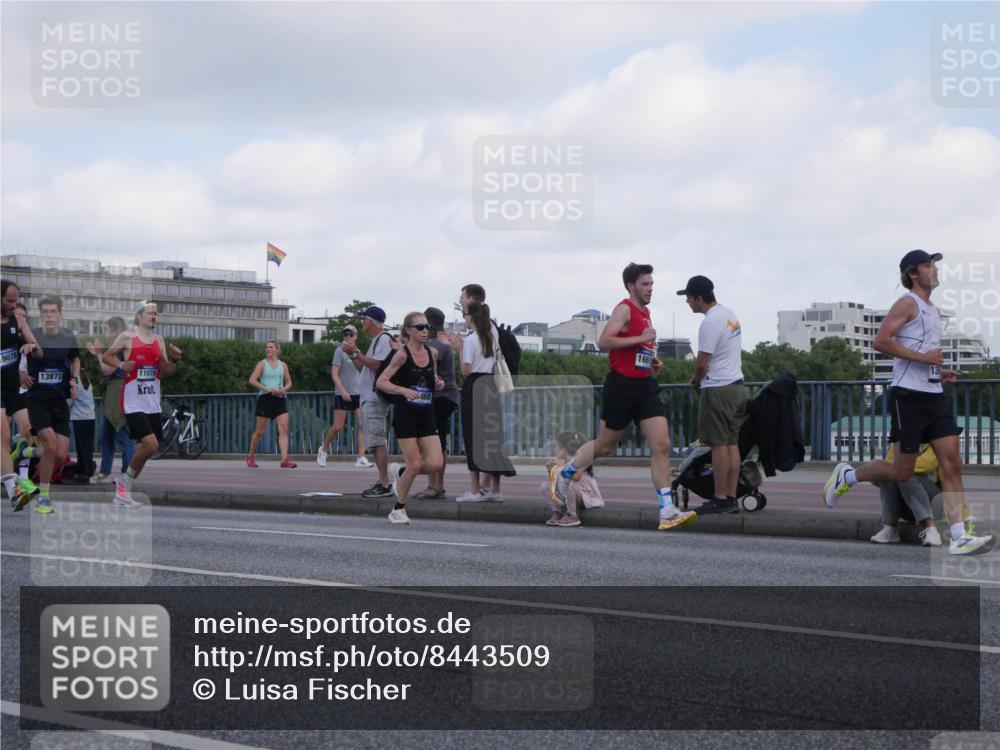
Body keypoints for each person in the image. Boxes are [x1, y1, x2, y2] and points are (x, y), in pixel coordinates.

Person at [823, 250, 992, 555]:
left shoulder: (931, 309)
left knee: (953, 464)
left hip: (933, 397)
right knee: (902, 472)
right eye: (929, 265)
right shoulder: (907, 303)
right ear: (914, 273)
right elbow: (881, 340)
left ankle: (958, 537)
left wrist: (938, 372)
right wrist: (924, 358)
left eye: (934, 264)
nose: (935, 269)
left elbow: (922, 356)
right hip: (908, 399)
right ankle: (848, 475)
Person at [554, 263, 696, 530]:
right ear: (631, 286)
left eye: (652, 284)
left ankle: (666, 510)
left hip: (645, 386)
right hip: (621, 385)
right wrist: (639, 338)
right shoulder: (624, 309)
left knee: (662, 444)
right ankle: (567, 473)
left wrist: (652, 360)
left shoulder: (646, 312)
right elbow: (605, 342)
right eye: (645, 284)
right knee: (606, 445)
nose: (650, 289)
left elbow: (638, 347)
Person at [102, 301, 182, 508]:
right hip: (132, 401)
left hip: (152, 402)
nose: (154, 316)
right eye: (150, 313)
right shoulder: (128, 337)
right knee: (150, 444)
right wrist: (121, 364)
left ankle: (123, 491)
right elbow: (107, 356)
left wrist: (174, 360)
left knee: (146, 451)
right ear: (139, 316)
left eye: (156, 313)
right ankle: (123, 483)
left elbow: (164, 371)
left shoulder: (158, 340)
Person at [679, 275, 747, 514]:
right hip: (737, 387)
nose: (687, 302)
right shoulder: (728, 314)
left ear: (699, 298)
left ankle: (719, 497)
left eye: (688, 297)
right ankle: (731, 496)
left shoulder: (709, 323)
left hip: (718, 388)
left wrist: (696, 381)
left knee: (718, 445)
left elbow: (701, 364)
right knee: (731, 443)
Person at [376, 311, 445, 524]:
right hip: (405, 414)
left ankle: (400, 471)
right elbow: (381, 381)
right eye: (420, 327)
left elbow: (430, 377)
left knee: (435, 463)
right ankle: (398, 509)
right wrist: (402, 390)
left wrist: (437, 381)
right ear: (408, 330)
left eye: (427, 327)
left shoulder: (432, 353)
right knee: (416, 464)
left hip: (426, 413)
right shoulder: (402, 355)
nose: (425, 331)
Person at [21, 295, 81, 514]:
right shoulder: (32, 336)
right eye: (45, 312)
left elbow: (75, 359)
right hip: (37, 400)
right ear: (41, 315)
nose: (48, 315)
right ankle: (43, 498)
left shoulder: (68, 337)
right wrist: (21, 374)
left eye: (52, 311)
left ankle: (26, 452)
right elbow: (17, 359)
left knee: (58, 454)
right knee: (50, 445)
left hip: (59, 401)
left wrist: (74, 380)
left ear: (60, 315)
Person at [451, 301, 516, 502]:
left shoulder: (471, 339)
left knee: (473, 438)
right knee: (492, 437)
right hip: (491, 385)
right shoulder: (492, 335)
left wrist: (458, 349)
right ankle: (495, 489)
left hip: (474, 385)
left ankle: (474, 489)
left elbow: (466, 369)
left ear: (471, 317)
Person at [1, 280, 41, 509]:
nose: (14, 304)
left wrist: (31, 346)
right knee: (3, 436)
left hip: (14, 389)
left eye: (16, 300)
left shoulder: (18, 319)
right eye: (9, 300)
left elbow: (34, 343)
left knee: (27, 431)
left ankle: (23, 479)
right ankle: (13, 491)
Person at [413, 307, 459, 499]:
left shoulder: (436, 345)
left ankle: (435, 485)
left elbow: (423, 364)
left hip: (441, 396)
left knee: (433, 442)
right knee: (435, 441)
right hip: (443, 397)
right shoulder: (440, 341)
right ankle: (435, 484)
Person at [354, 306, 398, 498]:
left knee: (377, 441)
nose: (362, 323)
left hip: (375, 398)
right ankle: (383, 481)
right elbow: (363, 367)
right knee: (374, 441)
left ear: (371, 321)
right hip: (369, 397)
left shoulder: (384, 339)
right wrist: (353, 354)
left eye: (363, 319)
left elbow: (376, 365)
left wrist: (357, 354)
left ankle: (385, 483)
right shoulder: (377, 340)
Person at [87, 316, 134, 483]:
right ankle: (105, 470)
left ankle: (126, 474)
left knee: (123, 434)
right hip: (114, 393)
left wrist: (99, 353)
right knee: (106, 434)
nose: (106, 333)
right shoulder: (119, 347)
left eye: (107, 329)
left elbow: (107, 370)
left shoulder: (120, 348)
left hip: (119, 394)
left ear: (114, 330)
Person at [871, 444, 944, 546]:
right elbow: (886, 468)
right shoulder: (900, 442)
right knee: (891, 475)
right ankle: (890, 529)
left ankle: (930, 529)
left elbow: (927, 464)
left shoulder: (936, 439)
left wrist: (896, 468)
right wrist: (880, 473)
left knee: (905, 474)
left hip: (937, 504)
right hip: (910, 508)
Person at [317, 324, 369, 468]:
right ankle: (324, 449)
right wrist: (343, 390)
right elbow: (334, 374)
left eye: (351, 334)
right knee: (338, 426)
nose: (348, 337)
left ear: (356, 336)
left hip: (358, 393)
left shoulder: (358, 352)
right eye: (346, 335)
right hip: (342, 393)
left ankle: (361, 457)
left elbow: (363, 371)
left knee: (362, 424)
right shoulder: (339, 351)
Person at [246, 340, 296, 468]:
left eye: (271, 347)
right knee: (260, 430)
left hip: (280, 398)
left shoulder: (283, 365)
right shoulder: (262, 364)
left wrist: (284, 389)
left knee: (283, 429)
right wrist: (267, 389)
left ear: (277, 350)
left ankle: (284, 460)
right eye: (267, 347)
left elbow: (289, 382)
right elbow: (252, 380)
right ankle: (250, 455)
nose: (268, 349)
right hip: (265, 398)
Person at [542, 431, 604, 527]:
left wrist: (563, 467)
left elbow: (575, 478)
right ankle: (557, 512)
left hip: (584, 495)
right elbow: (556, 480)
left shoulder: (579, 461)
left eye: (557, 447)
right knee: (546, 486)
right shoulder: (560, 460)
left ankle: (572, 516)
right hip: (567, 494)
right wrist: (550, 469)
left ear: (564, 450)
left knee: (570, 484)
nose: (555, 449)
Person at [68, 370, 96, 482]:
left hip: (79, 417)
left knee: (81, 447)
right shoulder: (86, 379)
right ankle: (86, 471)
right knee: (87, 447)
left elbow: (71, 400)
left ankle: (83, 473)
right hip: (90, 416)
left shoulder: (74, 381)